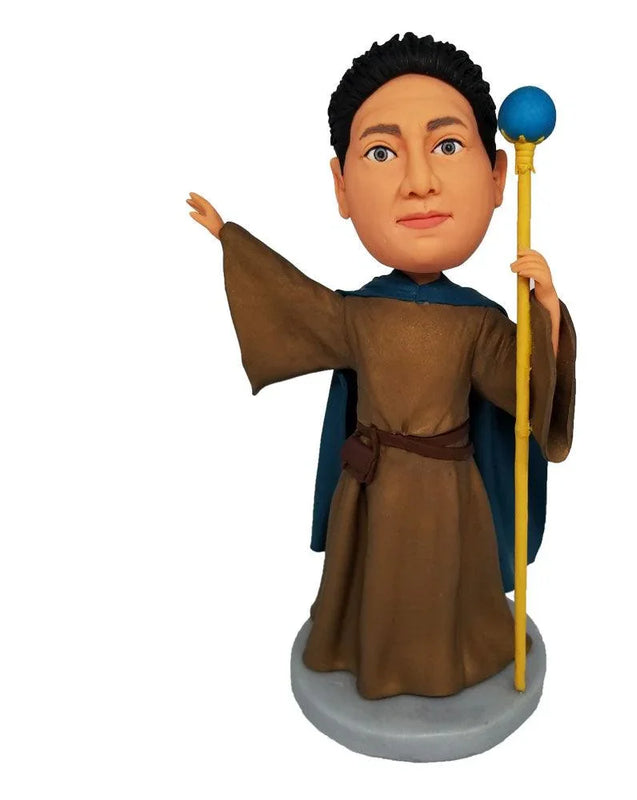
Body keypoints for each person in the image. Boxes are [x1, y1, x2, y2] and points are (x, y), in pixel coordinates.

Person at [187, 33, 575, 700]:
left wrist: (546, 313)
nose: (419, 182)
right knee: (376, 579)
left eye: (447, 146)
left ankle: (450, 660)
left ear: (496, 178)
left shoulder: (479, 323)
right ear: (341, 186)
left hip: (449, 492)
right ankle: (365, 653)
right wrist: (232, 238)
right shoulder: (358, 314)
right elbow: (294, 303)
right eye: (381, 153)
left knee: (443, 582)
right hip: (371, 485)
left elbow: (525, 389)